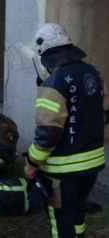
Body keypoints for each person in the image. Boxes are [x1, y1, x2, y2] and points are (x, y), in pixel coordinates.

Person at [24, 23, 108, 238]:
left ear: (46, 56)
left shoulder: (53, 84)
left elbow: (48, 133)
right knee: (77, 210)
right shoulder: (93, 74)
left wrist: (32, 164)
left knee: (61, 217)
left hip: (63, 172)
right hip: (93, 165)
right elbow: (104, 114)